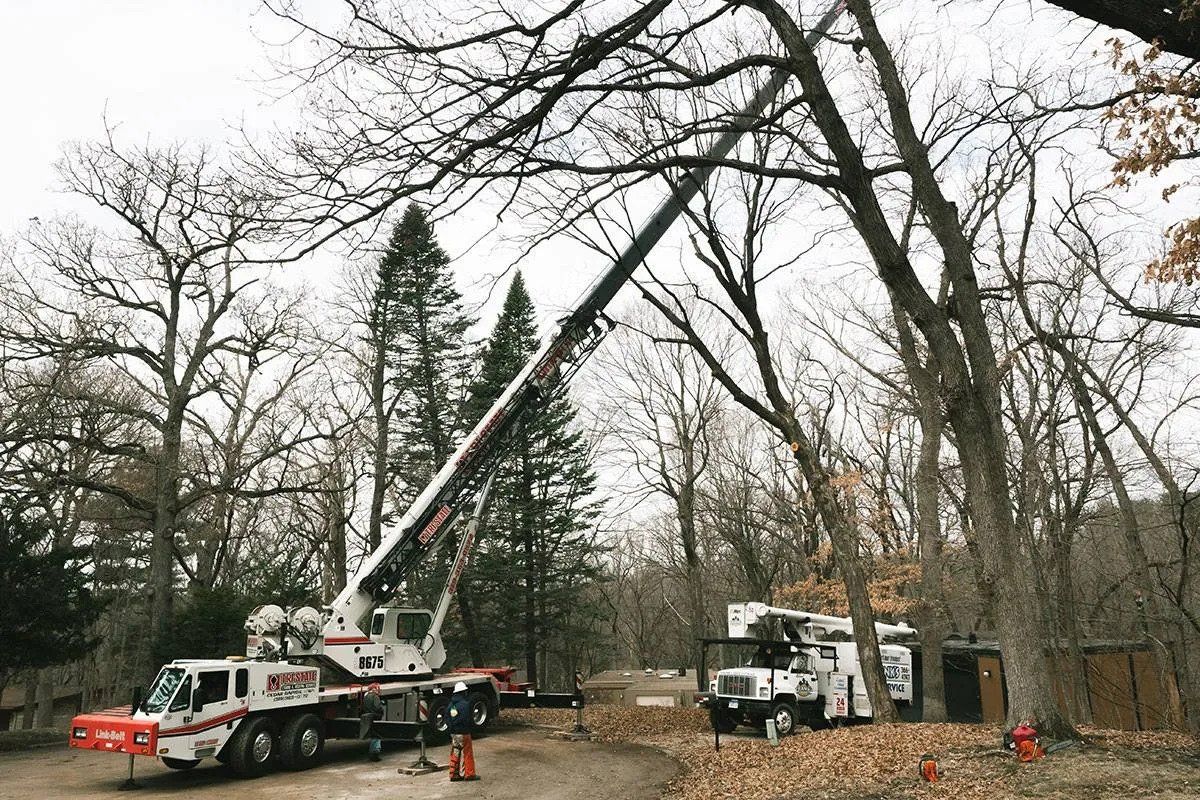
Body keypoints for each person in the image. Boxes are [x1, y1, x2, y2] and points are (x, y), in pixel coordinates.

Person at [447, 681, 478, 782]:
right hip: (464, 732)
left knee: (455, 752)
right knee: (467, 753)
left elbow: (447, 717)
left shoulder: (451, 704)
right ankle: (469, 774)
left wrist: (452, 729)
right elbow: (467, 719)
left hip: (454, 733)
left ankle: (453, 774)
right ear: (463, 692)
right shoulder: (465, 704)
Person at [359, 682, 384, 761]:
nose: (378, 690)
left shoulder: (366, 696)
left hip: (368, 717)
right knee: (377, 735)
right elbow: (377, 707)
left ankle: (373, 752)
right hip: (375, 717)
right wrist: (381, 710)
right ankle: (375, 753)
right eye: (377, 688)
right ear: (374, 689)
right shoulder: (375, 696)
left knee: (373, 734)